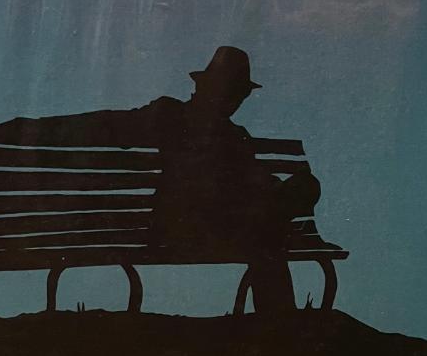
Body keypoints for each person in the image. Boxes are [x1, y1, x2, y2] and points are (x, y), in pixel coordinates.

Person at [16, 46, 319, 314]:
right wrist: (29, 129)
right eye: (234, 91)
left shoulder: (235, 136)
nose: (237, 100)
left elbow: (255, 181)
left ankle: (280, 319)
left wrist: (276, 188)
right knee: (267, 233)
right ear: (209, 88)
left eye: (241, 94)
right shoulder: (171, 116)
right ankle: (280, 320)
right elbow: (107, 125)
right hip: (182, 229)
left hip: (226, 228)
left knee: (278, 215)